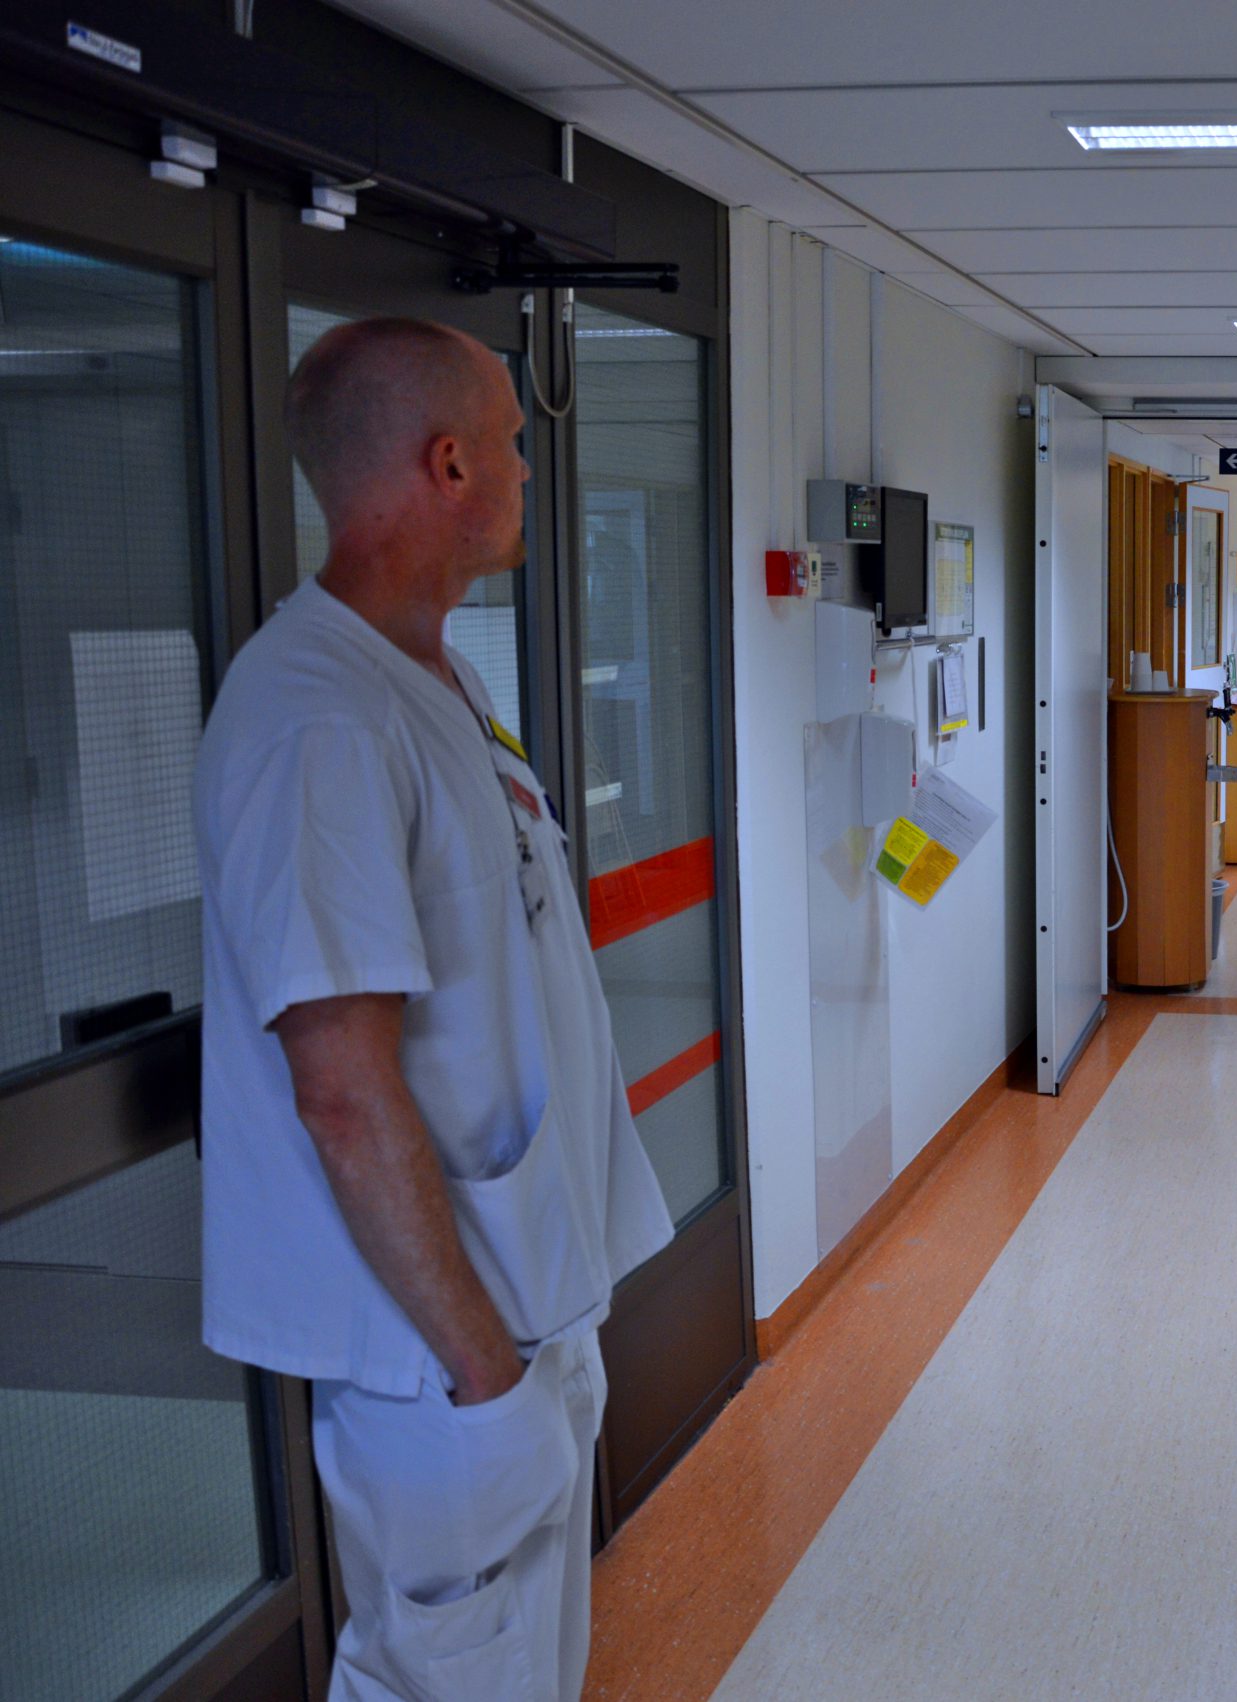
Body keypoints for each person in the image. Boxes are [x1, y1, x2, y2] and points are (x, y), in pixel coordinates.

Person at [194, 317, 673, 1699]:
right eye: (514, 443)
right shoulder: (318, 716)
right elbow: (342, 1091)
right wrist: (484, 1374)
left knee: (529, 1670)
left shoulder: (440, 682)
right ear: (448, 464)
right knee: (450, 1677)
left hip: (522, 1318)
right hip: (439, 1362)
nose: (529, 469)